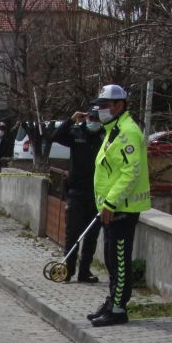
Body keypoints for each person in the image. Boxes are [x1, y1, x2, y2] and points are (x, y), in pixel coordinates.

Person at [88, 84, 150, 328]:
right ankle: (111, 300)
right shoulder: (113, 130)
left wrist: (111, 202)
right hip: (111, 208)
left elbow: (130, 172)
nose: (100, 109)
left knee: (121, 261)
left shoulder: (127, 132)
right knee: (111, 259)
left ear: (119, 105)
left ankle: (118, 309)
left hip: (121, 208)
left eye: (105, 105)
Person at [51, 106, 105, 283]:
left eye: (97, 119)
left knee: (91, 235)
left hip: (97, 192)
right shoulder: (77, 132)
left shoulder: (104, 135)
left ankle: (84, 271)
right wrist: (71, 120)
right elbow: (57, 136)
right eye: (91, 118)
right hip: (76, 191)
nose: (93, 122)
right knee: (72, 232)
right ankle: (68, 269)